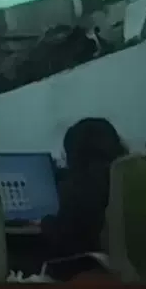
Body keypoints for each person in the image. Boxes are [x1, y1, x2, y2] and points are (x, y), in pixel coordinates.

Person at [42, 114, 128, 271]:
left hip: (91, 271)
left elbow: (66, 239)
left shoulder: (79, 187)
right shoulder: (126, 177)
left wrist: (45, 222)